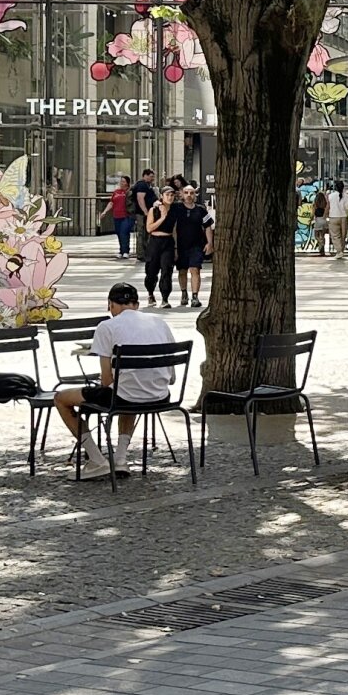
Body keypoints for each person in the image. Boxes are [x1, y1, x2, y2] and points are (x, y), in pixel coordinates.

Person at [50, 282, 178, 475]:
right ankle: (120, 459)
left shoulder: (107, 326)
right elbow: (172, 378)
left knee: (61, 398)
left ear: (110, 304)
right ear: (136, 305)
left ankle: (97, 459)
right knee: (128, 388)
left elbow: (106, 381)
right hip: (161, 397)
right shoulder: (160, 323)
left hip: (123, 398)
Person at [165, 178, 210, 307]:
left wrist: (209, 243)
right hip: (180, 245)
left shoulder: (201, 210)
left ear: (195, 195)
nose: (189, 195)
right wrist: (174, 246)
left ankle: (195, 297)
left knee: (195, 269)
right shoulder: (176, 208)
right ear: (182, 195)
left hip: (197, 244)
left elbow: (207, 226)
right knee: (182, 270)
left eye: (191, 193)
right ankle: (184, 293)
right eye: (186, 193)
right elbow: (167, 211)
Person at [139, 183, 177, 305]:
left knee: (167, 269)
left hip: (168, 241)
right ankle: (150, 293)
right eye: (167, 195)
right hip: (155, 241)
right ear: (161, 196)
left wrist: (176, 247)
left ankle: (165, 298)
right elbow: (149, 228)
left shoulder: (175, 209)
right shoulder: (154, 210)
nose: (170, 197)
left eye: (172, 195)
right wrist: (162, 218)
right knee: (151, 270)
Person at [104, 179, 135, 258]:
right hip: (116, 215)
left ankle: (125, 251)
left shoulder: (129, 192)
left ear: (127, 183)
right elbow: (111, 202)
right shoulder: (116, 192)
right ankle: (121, 250)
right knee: (119, 234)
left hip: (126, 215)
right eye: (121, 181)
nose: (121, 183)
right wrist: (105, 211)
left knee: (124, 232)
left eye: (123, 181)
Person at [324, 180, 348, 259]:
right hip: (344, 217)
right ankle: (341, 251)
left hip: (333, 217)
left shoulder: (331, 196)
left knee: (335, 235)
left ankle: (339, 251)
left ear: (335, 187)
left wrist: (324, 216)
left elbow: (327, 207)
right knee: (343, 236)